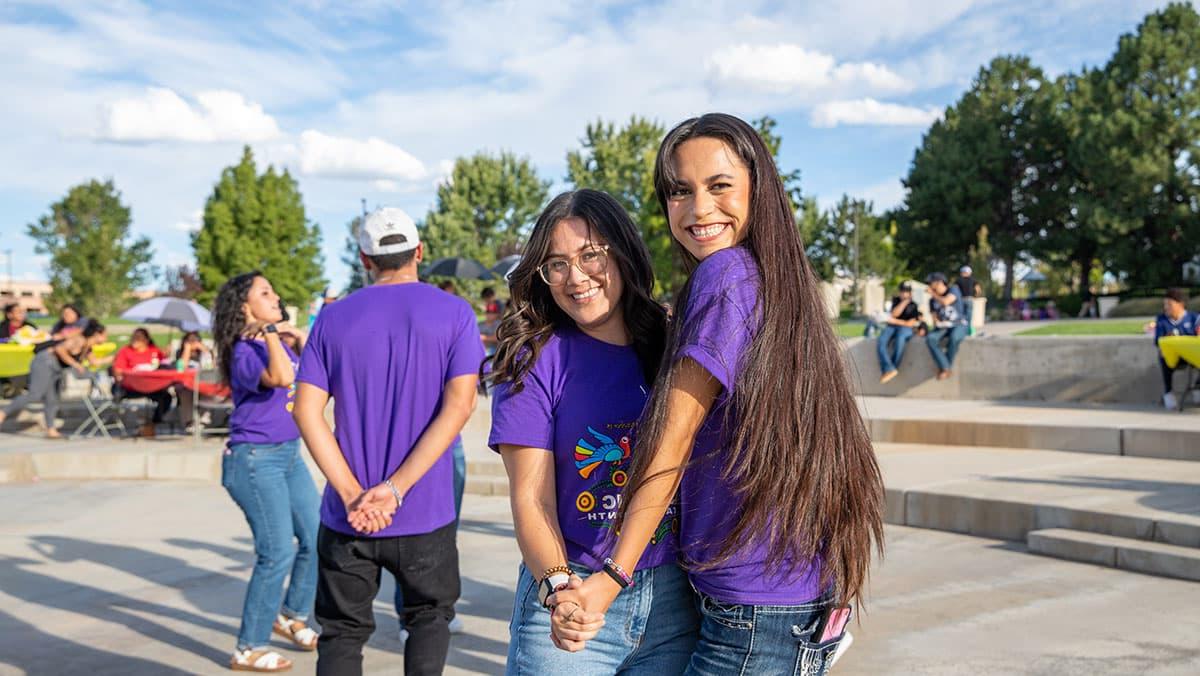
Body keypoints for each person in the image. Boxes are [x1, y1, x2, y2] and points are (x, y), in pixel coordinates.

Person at [549, 113, 883, 675]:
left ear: (758, 188)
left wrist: (610, 578)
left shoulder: (726, 275)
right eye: (680, 191)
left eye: (720, 186)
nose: (699, 208)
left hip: (754, 608)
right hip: (793, 590)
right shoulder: (773, 277)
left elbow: (672, 441)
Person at [487, 189, 697, 674]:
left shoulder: (673, 344)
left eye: (590, 256)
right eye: (556, 264)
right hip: (574, 594)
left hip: (673, 602)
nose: (575, 278)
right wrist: (560, 591)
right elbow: (531, 498)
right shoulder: (535, 357)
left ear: (622, 252)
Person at [292, 206, 483, 676]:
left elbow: (305, 409)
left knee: (341, 633)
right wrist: (395, 489)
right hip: (425, 511)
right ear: (419, 252)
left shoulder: (332, 320)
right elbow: (460, 406)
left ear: (364, 259)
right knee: (429, 619)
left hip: (347, 516)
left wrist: (353, 493)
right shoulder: (455, 312)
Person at [212, 272, 319, 673]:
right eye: (265, 293)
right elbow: (282, 378)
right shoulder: (243, 349)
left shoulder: (274, 343)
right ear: (245, 307)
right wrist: (273, 332)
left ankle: (291, 615)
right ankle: (248, 647)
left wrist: (294, 336)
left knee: (316, 536)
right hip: (255, 460)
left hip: (288, 454)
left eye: (275, 290)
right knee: (276, 551)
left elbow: (308, 375)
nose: (276, 296)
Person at [0, 319, 108, 438]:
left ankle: (51, 430)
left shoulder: (87, 347)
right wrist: (75, 364)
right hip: (44, 362)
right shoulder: (79, 340)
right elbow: (59, 349)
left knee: (52, 399)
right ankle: (3, 413)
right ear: (97, 334)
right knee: (35, 394)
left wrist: (113, 359)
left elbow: (95, 362)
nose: (106, 338)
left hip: (55, 369)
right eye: (105, 335)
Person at [112, 327, 173, 434]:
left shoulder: (154, 351)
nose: (135, 340)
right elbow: (118, 371)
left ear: (146, 340)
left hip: (151, 386)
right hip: (130, 387)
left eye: (138, 338)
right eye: (134, 337)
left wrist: (167, 353)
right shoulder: (125, 351)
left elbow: (165, 363)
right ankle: (143, 427)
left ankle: (152, 424)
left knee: (166, 397)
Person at [1153, 288, 1199, 410]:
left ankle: (1198, 387)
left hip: (1194, 356)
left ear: (1180, 304)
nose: (1166, 307)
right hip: (1175, 358)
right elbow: (1158, 340)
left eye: (1169, 304)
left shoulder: (1194, 318)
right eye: (1165, 305)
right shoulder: (1162, 320)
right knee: (1162, 354)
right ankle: (1168, 392)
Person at [924, 272, 969, 380]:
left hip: (959, 323)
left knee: (954, 338)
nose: (930, 286)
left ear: (939, 282)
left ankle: (945, 368)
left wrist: (933, 294)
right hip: (944, 326)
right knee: (930, 338)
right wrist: (936, 323)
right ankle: (946, 367)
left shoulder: (953, 289)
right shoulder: (932, 300)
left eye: (932, 283)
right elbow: (934, 317)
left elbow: (946, 302)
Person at [877, 282, 922, 383]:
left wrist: (896, 321)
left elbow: (910, 324)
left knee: (900, 340)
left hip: (905, 328)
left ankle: (891, 368)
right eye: (902, 291)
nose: (904, 294)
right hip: (892, 327)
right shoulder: (896, 300)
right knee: (881, 341)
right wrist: (904, 303)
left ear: (910, 293)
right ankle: (890, 368)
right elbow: (894, 314)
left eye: (906, 292)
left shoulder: (913, 305)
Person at [175, 331, 215, 430]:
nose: (192, 343)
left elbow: (212, 366)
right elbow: (181, 367)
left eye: (195, 340)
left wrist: (204, 350)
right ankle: (189, 422)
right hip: (187, 383)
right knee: (184, 391)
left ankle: (203, 419)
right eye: (189, 340)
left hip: (203, 382)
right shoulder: (180, 352)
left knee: (207, 391)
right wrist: (187, 350)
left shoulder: (205, 352)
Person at [955, 265, 979, 332]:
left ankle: (962, 330)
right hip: (969, 299)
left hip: (961, 299)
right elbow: (977, 289)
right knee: (969, 316)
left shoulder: (958, 280)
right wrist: (975, 296)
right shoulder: (973, 280)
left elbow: (955, 289)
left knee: (961, 316)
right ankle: (968, 330)